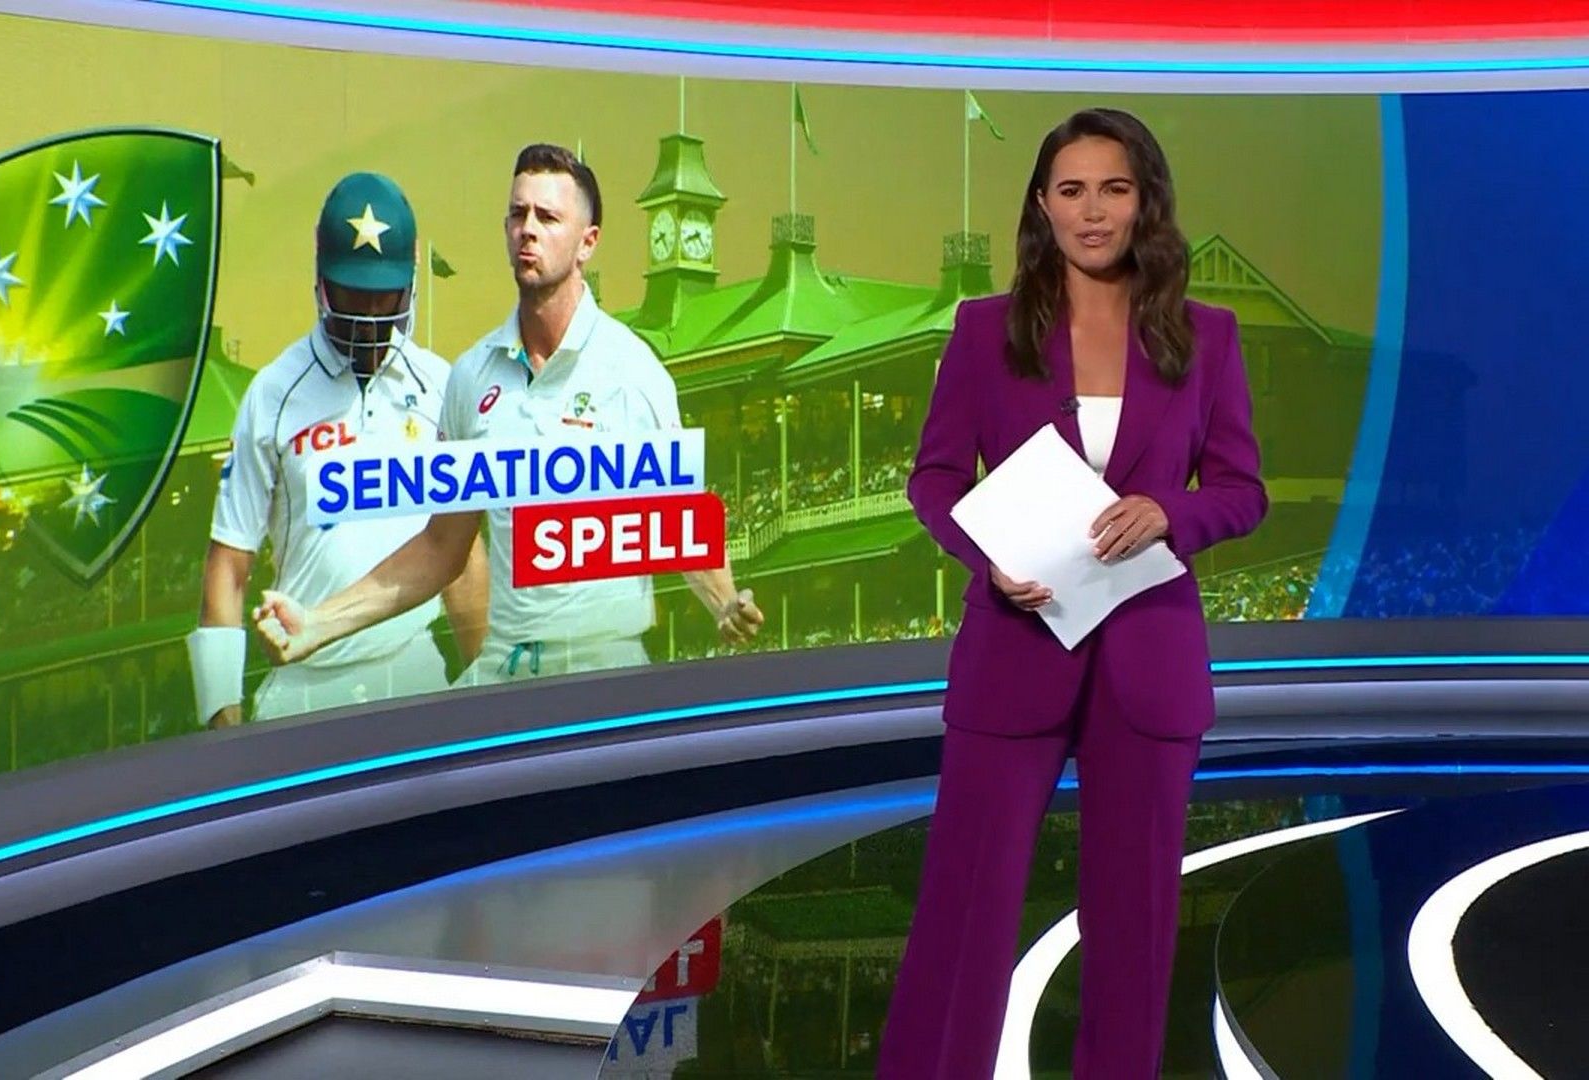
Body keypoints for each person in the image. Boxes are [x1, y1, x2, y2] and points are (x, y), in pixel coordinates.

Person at [879, 108, 1267, 1078]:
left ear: (1145, 203)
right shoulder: (984, 331)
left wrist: (1171, 513)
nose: (1092, 212)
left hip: (1149, 662)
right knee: (964, 910)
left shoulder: (1208, 337)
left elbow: (1243, 491)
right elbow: (934, 479)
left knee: (1136, 925)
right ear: (1042, 207)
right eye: (1072, 190)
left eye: (1114, 189)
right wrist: (985, 556)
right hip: (1013, 653)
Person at [251, 143, 764, 680]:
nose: (528, 230)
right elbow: (441, 546)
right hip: (507, 667)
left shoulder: (633, 371)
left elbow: (679, 520)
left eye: (548, 217)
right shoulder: (472, 376)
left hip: (602, 666)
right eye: (518, 214)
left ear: (588, 242)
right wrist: (317, 623)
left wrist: (725, 602)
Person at [188, 172, 488, 728]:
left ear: (410, 281)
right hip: (305, 685)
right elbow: (228, 569)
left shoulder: (440, 385)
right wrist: (223, 731)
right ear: (322, 280)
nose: (369, 316)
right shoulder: (274, 393)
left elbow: (462, 555)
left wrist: (487, 693)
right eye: (354, 294)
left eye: (383, 296)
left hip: (414, 669)